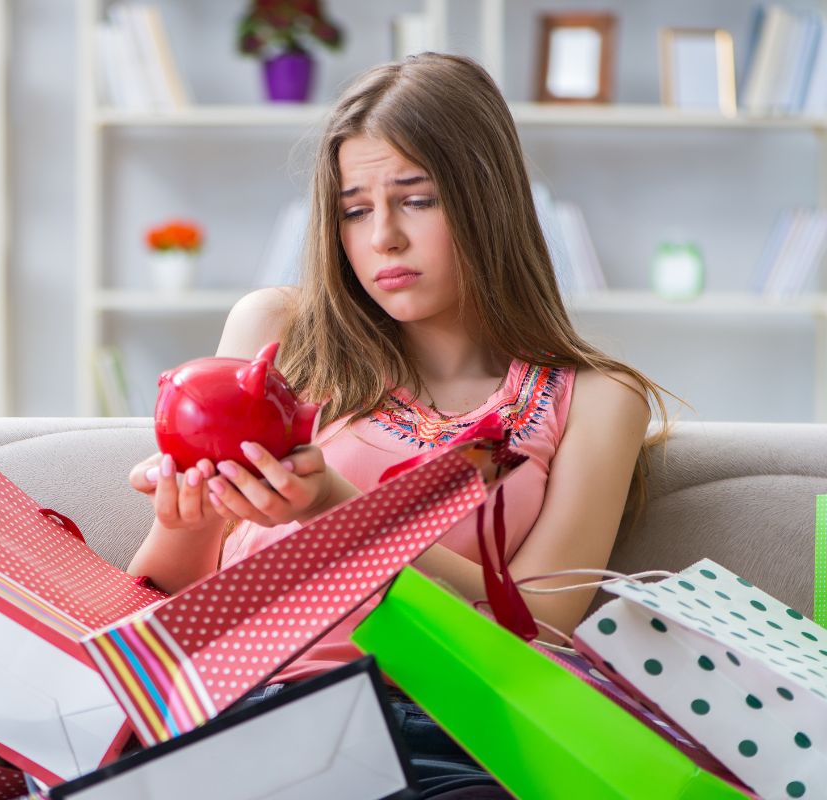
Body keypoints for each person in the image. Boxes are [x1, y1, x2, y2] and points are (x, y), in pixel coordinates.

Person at [126, 52, 663, 799]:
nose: (382, 238)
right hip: (243, 713)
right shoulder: (279, 335)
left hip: (447, 732)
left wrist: (348, 516)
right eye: (354, 209)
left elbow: (539, 632)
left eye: (417, 200)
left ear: (488, 201)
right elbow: (173, 597)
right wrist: (180, 515)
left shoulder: (599, 400)